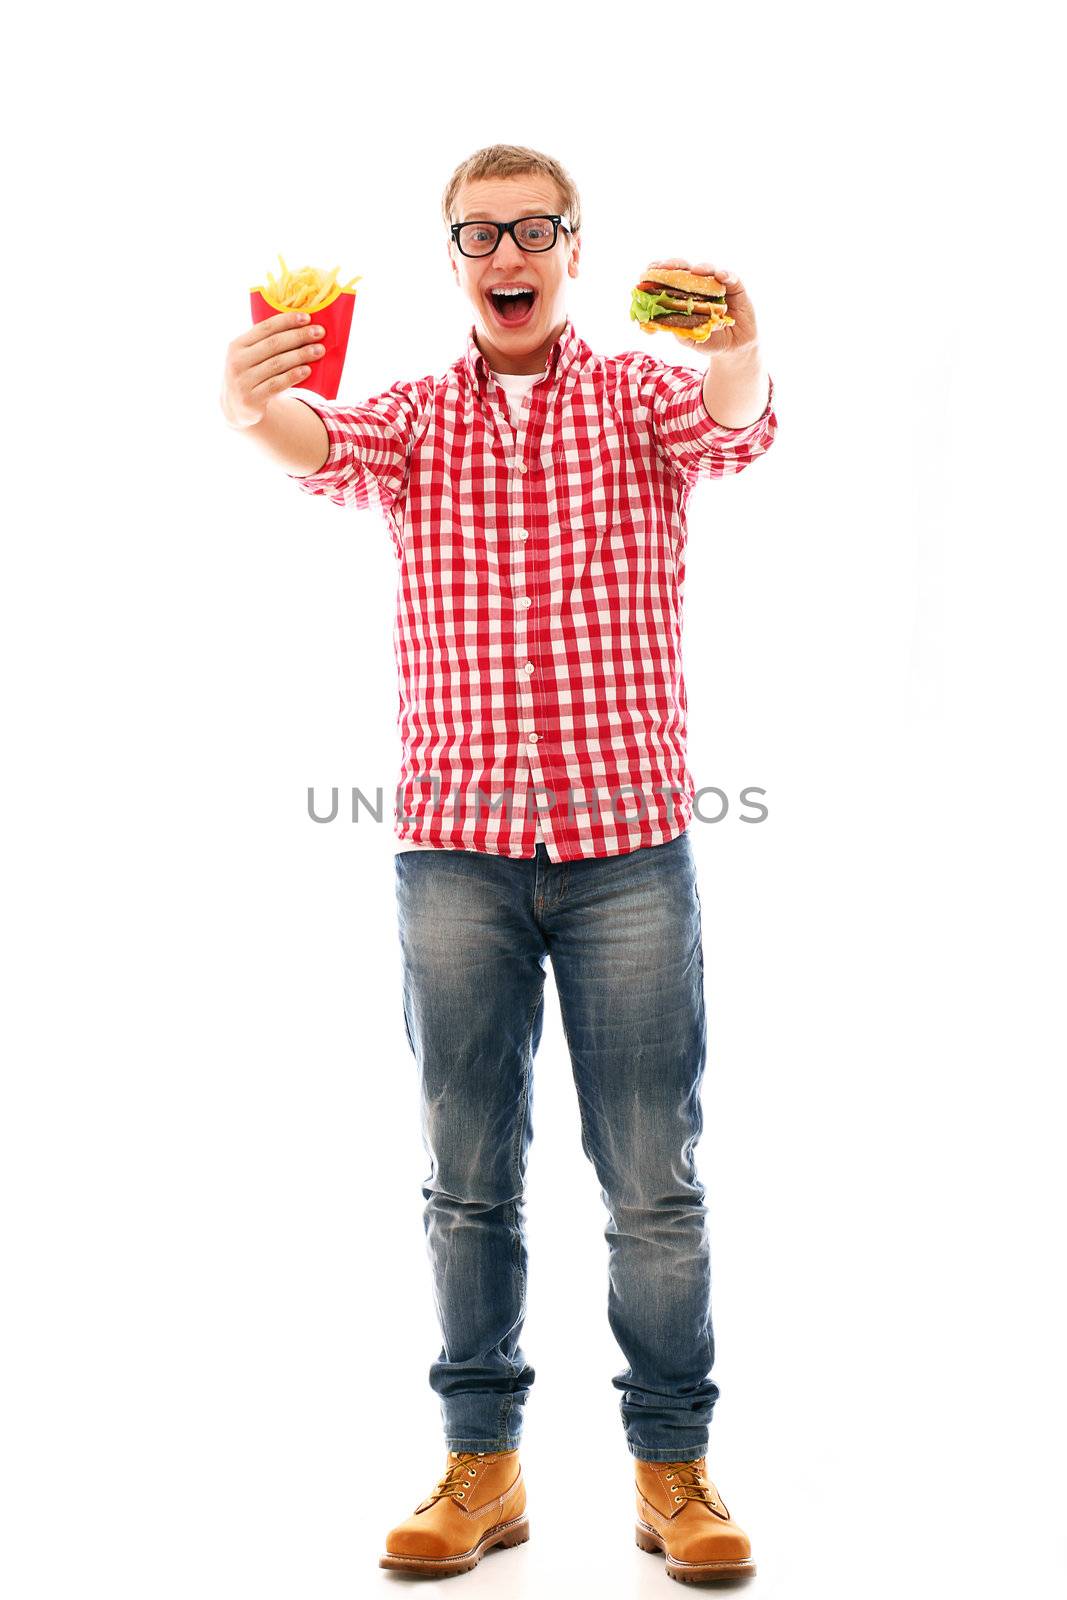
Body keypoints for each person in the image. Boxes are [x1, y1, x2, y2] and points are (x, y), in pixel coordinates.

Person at [220, 143, 776, 1583]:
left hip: (626, 852)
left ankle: (676, 1476)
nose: (506, 252)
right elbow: (316, 448)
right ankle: (483, 1468)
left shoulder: (646, 396)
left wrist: (747, 347)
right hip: (454, 856)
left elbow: (735, 426)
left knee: (653, 1179)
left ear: (574, 250)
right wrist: (252, 403)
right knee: (467, 1180)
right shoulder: (411, 419)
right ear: (456, 258)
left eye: (534, 229)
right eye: (479, 234)